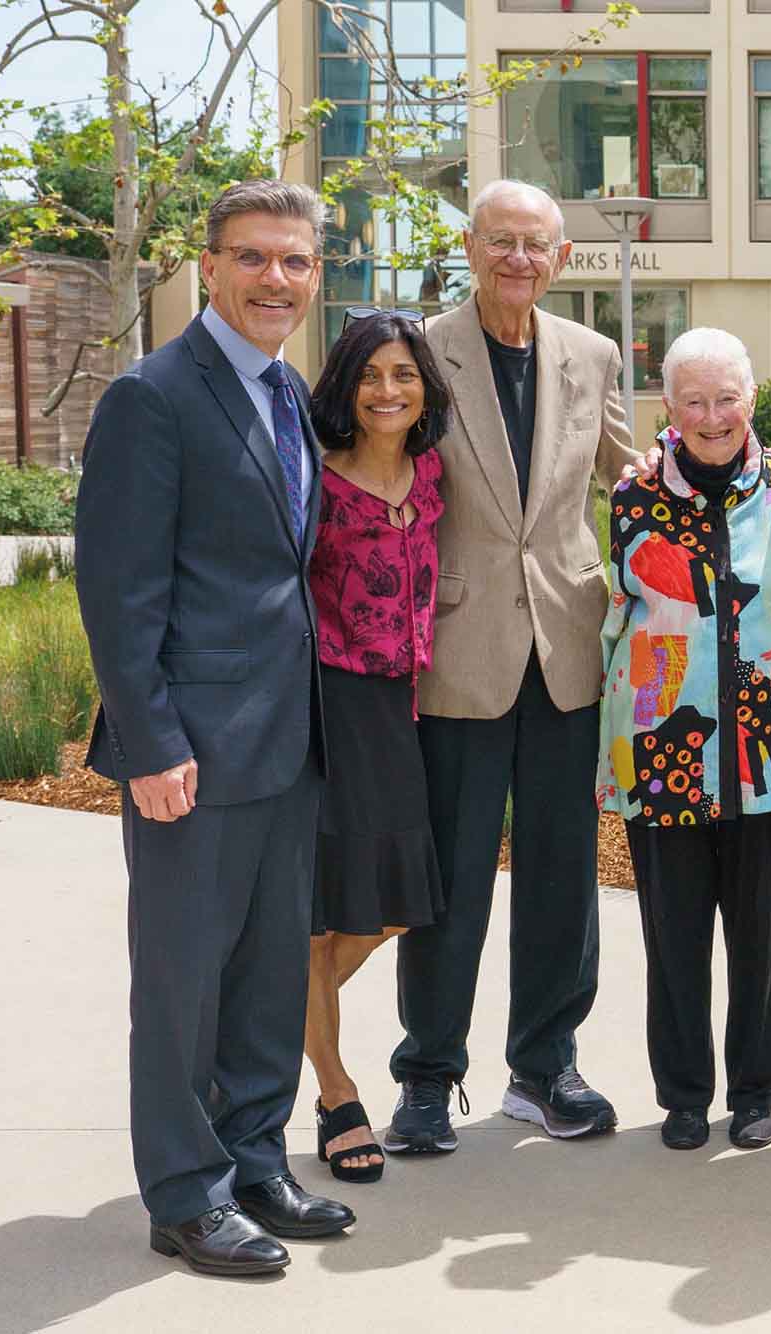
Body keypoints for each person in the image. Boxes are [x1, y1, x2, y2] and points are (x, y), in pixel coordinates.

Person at [75, 180, 353, 1275]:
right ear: (212, 262)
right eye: (253, 257)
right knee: (183, 978)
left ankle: (251, 1157)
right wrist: (151, 744)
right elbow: (119, 589)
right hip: (190, 748)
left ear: (315, 272)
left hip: (287, 739)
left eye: (294, 260)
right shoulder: (155, 395)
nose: (274, 278)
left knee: (269, 969)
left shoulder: (284, 391)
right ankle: (184, 1191)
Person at [388, 179, 635, 1153]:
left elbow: (632, 475)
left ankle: (543, 1064)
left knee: (561, 871)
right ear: (470, 245)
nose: (518, 259)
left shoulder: (592, 354)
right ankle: (427, 1073)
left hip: (567, 644)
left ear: (561, 256)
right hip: (457, 645)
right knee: (448, 872)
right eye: (501, 241)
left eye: (536, 244)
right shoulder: (418, 350)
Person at [596, 328, 771, 1153]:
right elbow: (615, 627)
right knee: (673, 936)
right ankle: (684, 1095)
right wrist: (606, 766)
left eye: (727, 398)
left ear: (751, 396)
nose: (713, 416)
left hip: (765, 751)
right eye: (695, 400)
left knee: (762, 936)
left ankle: (757, 1092)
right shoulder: (634, 496)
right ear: (668, 407)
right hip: (662, 752)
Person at [301, 307, 454, 1184]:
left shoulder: (433, 474)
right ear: (346, 388)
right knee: (328, 915)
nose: (386, 391)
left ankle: (271, 1014)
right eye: (369, 376)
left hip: (407, 705)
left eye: (402, 375)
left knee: (392, 903)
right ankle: (334, 1088)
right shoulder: (318, 483)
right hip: (334, 702)